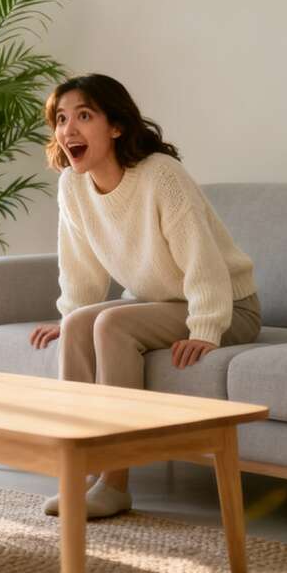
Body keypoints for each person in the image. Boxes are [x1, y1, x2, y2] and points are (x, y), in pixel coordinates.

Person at [28, 74, 261, 519]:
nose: (68, 130)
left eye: (84, 116)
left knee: (112, 324)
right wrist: (70, 315)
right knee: (83, 323)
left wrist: (207, 327)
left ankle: (115, 483)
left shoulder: (161, 176)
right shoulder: (73, 187)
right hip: (158, 304)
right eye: (60, 119)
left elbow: (202, 260)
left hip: (229, 305)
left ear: (115, 126)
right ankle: (78, 474)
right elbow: (79, 264)